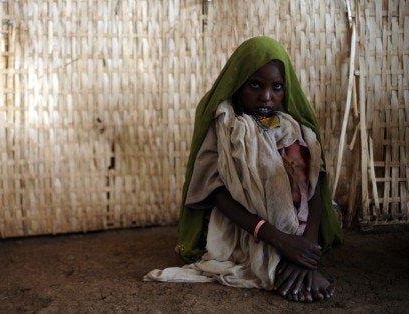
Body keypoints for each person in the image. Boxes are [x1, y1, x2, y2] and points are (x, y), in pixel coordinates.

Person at [144, 36, 343, 302]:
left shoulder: (290, 127)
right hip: (247, 223)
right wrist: (277, 239)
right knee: (244, 244)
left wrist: (307, 251)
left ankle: (297, 266)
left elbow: (313, 185)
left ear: (286, 90)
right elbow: (211, 190)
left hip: (299, 225)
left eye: (277, 87)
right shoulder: (226, 124)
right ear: (238, 83)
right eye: (255, 85)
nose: (266, 96)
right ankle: (282, 262)